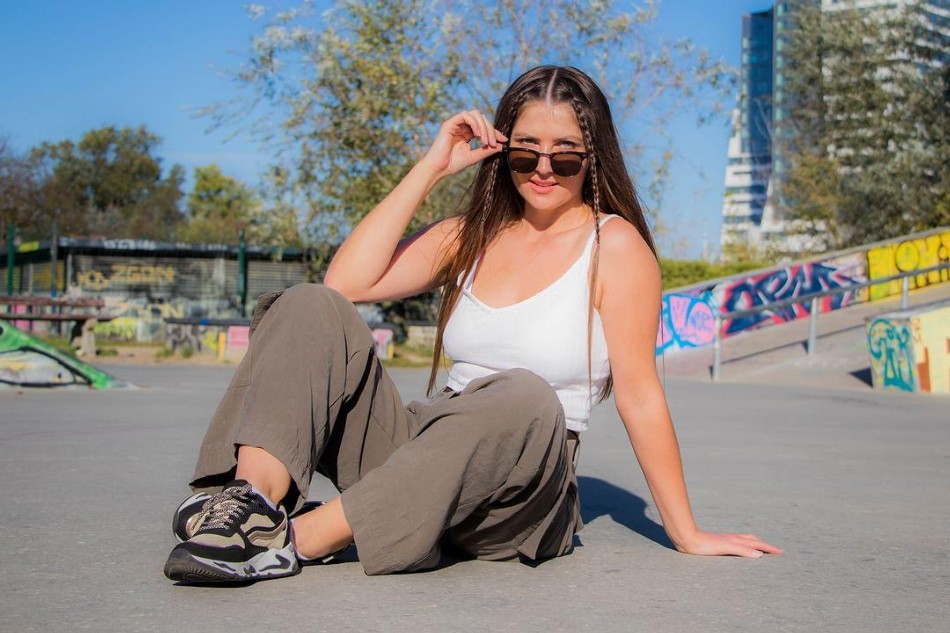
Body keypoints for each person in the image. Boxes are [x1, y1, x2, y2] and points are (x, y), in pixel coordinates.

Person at [163, 65, 781, 584]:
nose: (544, 168)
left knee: (524, 392)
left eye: (565, 154)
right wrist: (433, 166)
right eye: (525, 150)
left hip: (523, 489)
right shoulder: (471, 235)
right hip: (427, 447)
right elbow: (344, 284)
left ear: (593, 159)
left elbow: (641, 397)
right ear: (502, 150)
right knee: (308, 304)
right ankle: (250, 505)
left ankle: (299, 539)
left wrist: (685, 531)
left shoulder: (613, 247)